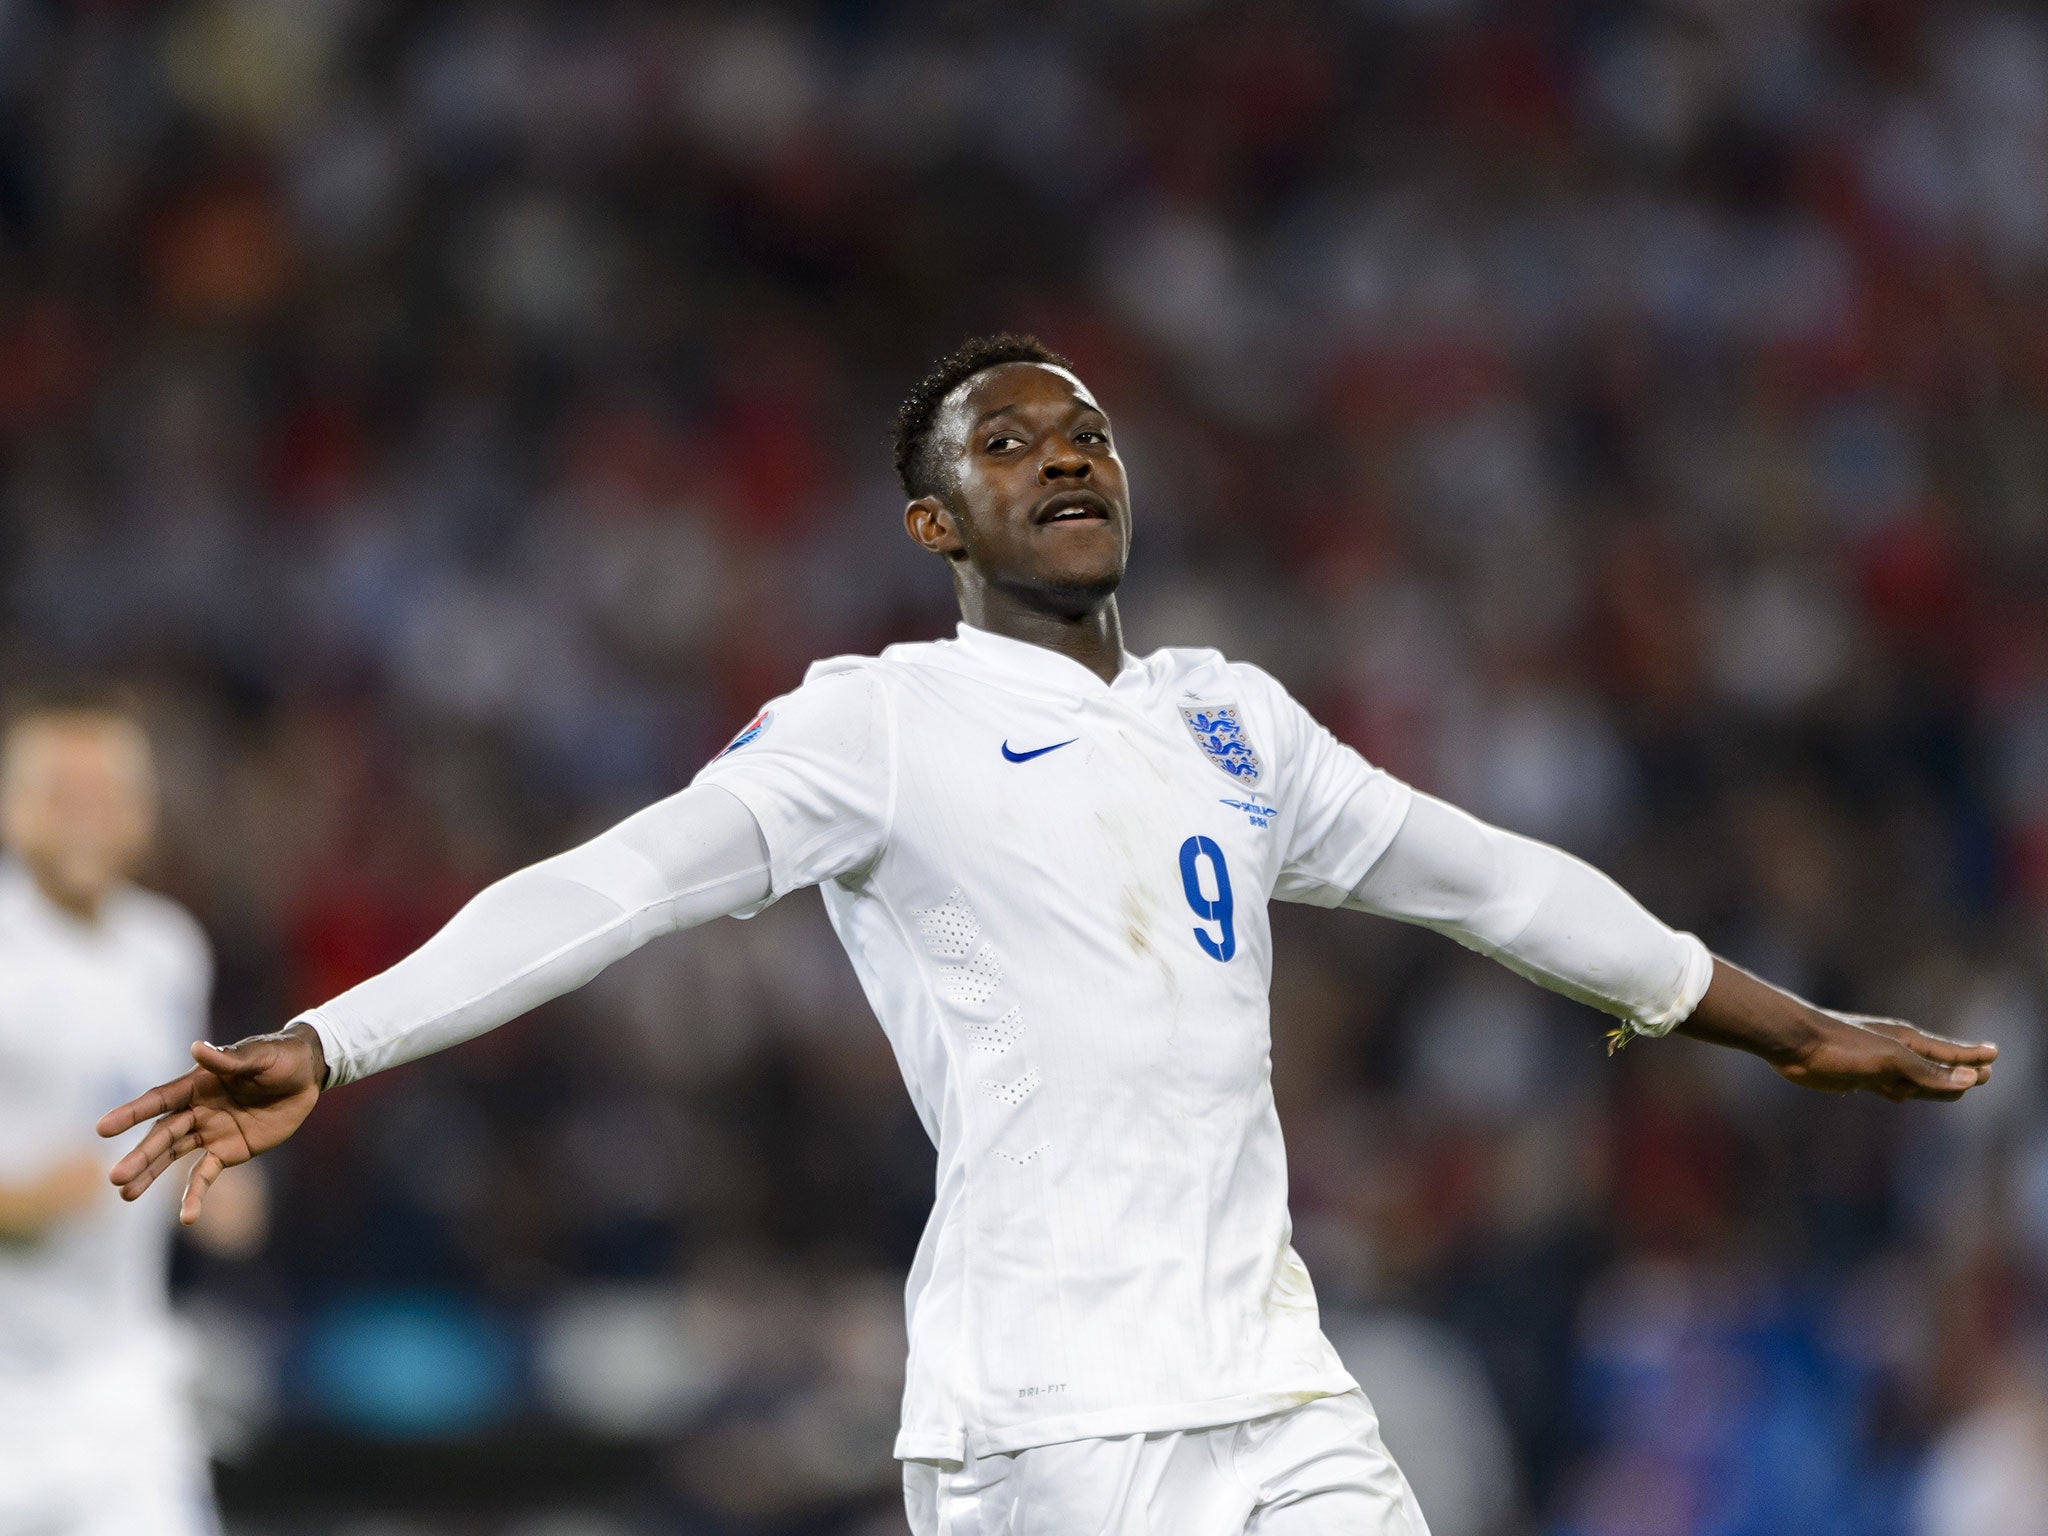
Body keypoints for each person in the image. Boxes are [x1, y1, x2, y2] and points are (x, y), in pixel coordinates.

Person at [101, 336, 1997, 1534]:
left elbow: (1494, 883)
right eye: (1009, 445)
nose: (1065, 455)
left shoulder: (1231, 719)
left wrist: (1781, 1024)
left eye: (1083, 432)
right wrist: (339, 1037)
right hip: (1050, 1422)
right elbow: (616, 883)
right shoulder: (879, 721)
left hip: (1273, 1386)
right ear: (934, 519)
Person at [2, 693, 264, 1536]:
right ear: (12, 807)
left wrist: (210, 1177)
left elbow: (174, 1118)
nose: (87, 817)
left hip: (119, 1386)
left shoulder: (169, 949)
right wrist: (24, 1207)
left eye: (107, 795)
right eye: (61, 794)